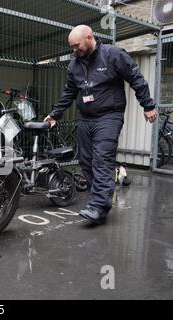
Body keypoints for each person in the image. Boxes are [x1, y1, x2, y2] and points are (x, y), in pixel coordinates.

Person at [44, 25, 157, 224]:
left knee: (101, 159)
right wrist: (55, 114)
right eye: (71, 47)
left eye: (77, 46)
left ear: (89, 37)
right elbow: (69, 92)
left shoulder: (113, 55)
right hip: (86, 119)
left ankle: (98, 207)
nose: (74, 50)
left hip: (109, 117)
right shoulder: (74, 64)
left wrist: (148, 105)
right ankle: (97, 198)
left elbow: (136, 78)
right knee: (86, 161)